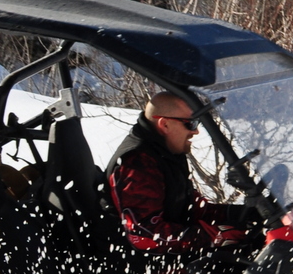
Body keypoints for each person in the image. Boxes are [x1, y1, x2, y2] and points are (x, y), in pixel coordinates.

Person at [106, 92, 254, 257]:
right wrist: (214, 237)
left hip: (174, 256)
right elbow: (144, 234)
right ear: (165, 124)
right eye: (190, 124)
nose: (196, 131)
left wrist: (246, 213)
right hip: (144, 270)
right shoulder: (137, 162)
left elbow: (190, 207)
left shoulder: (167, 152)